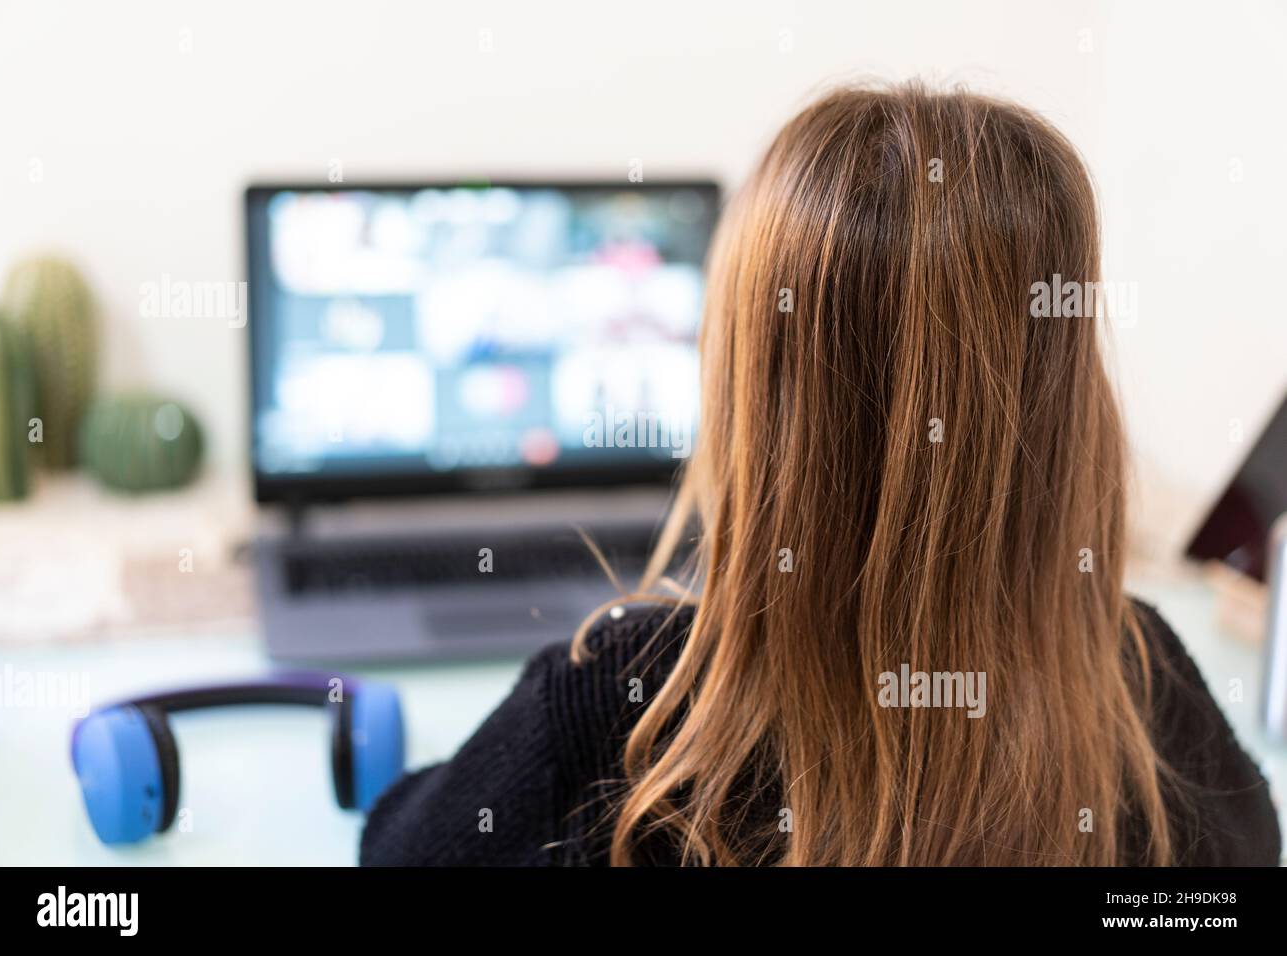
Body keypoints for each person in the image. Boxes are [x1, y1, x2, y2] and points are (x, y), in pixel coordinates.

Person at [361, 82, 1281, 866]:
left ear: (749, 392)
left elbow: (396, 850)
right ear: (1069, 401)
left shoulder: (625, 706)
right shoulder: (1141, 683)